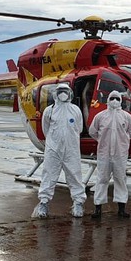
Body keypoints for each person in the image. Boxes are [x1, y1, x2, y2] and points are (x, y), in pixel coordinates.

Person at [32, 83, 86, 218]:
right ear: (55, 93)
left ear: (70, 93)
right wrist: (53, 142)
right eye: (60, 91)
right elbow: (46, 129)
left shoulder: (75, 110)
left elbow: (79, 129)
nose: (63, 93)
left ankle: (78, 203)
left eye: (65, 91)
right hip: (53, 150)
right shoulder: (49, 111)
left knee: (75, 175)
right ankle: (43, 203)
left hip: (71, 150)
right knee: (49, 175)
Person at [88, 90, 131, 218]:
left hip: (120, 154)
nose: (114, 100)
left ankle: (121, 208)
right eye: (112, 98)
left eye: (117, 98)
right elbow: (92, 131)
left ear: (121, 100)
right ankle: (98, 208)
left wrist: (123, 143)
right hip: (104, 153)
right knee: (102, 179)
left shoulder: (127, 117)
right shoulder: (100, 116)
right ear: (108, 99)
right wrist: (102, 140)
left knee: (120, 179)